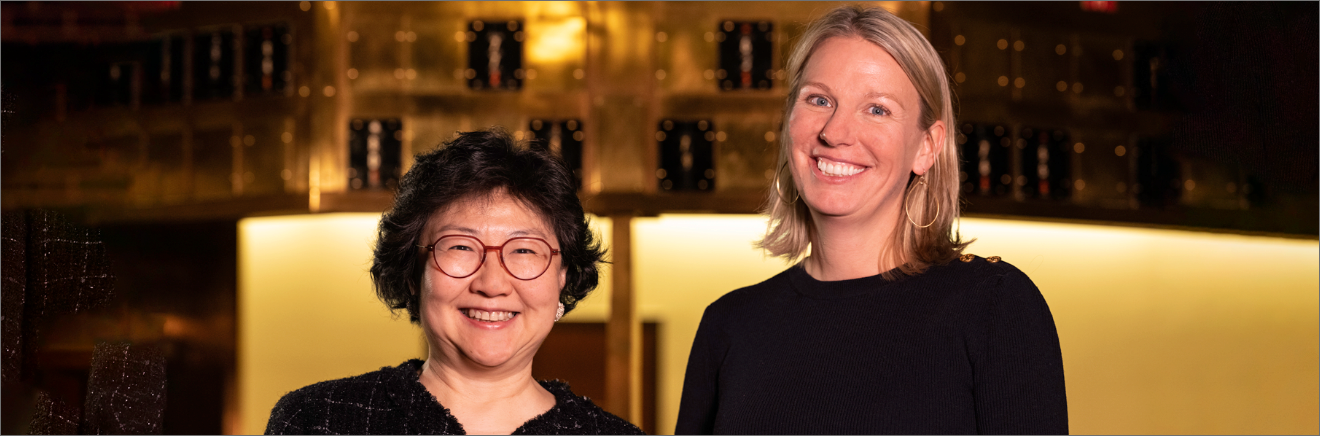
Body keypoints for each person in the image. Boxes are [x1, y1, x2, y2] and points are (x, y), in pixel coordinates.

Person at [676, 5, 1067, 435]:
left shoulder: (993, 307)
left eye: (877, 109)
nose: (835, 131)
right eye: (818, 100)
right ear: (789, 120)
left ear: (927, 145)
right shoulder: (729, 325)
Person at [266, 129, 643, 435]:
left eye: (525, 250)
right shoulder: (318, 421)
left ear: (563, 277)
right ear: (414, 272)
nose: (493, 283)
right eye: (461, 246)